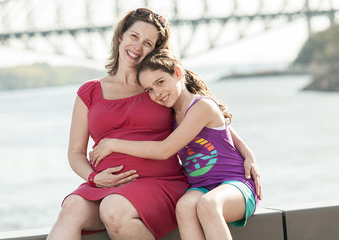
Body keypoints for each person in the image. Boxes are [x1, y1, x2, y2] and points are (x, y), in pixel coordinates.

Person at [47, 8, 190, 240]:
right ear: (120, 36)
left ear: (155, 50)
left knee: (113, 209)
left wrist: (245, 152)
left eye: (148, 43)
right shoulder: (89, 91)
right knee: (71, 207)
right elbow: (75, 152)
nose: (137, 46)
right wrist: (93, 178)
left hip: (159, 182)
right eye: (134, 36)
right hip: (104, 185)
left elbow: (204, 111)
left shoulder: (161, 84)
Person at [90, 49, 262, 240]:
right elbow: (227, 130)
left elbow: (165, 150)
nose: (157, 93)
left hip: (235, 185)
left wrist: (113, 144)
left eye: (160, 82)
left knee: (208, 205)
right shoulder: (170, 116)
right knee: (184, 207)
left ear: (178, 73)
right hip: (201, 187)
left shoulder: (202, 106)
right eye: (149, 90)